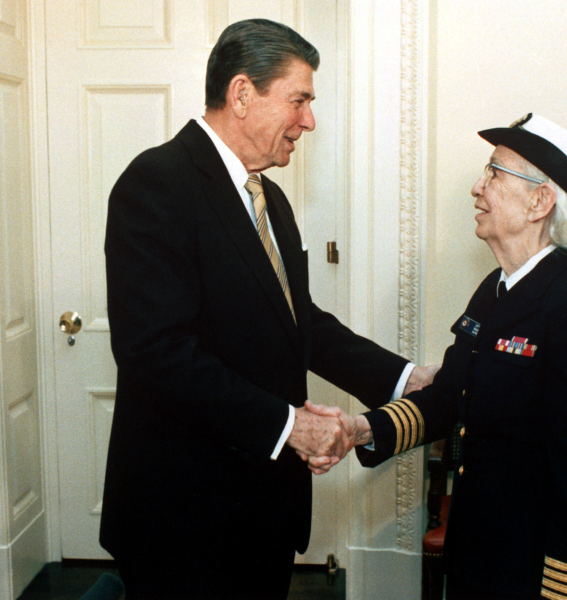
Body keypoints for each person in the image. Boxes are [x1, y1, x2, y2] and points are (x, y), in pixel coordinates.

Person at [101, 18, 435, 600]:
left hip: (264, 511)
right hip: (184, 520)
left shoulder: (269, 196)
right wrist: (291, 426)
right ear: (241, 94)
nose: (308, 120)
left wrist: (406, 378)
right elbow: (155, 354)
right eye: (299, 100)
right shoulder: (156, 183)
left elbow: (299, 322)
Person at [311, 113, 567, 599]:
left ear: (540, 202)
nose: (478, 187)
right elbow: (450, 396)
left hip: (529, 570)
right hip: (478, 551)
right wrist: (362, 429)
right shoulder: (495, 290)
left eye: (495, 174)